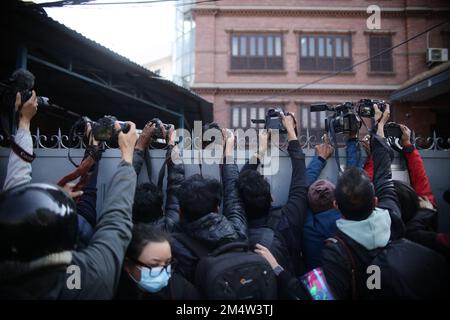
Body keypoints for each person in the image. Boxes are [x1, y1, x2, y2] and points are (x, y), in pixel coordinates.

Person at [0, 109, 138, 299]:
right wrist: (129, 156)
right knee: (87, 196)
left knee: (86, 193)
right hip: (84, 225)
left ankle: (93, 147)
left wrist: (59, 196)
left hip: (81, 217)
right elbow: (116, 221)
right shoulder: (88, 279)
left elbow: (15, 188)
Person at [321, 104, 450, 299]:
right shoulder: (392, 218)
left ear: (336, 205)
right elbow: (384, 177)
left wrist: (281, 273)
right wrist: (379, 128)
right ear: (375, 201)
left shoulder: (335, 247)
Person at [170, 129, 248, 282]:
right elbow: (233, 194)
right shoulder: (237, 233)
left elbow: (173, 189)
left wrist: (172, 148)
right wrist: (229, 152)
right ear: (217, 209)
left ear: (179, 212)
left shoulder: (175, 247)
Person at [237, 112, 308, 276]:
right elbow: (300, 183)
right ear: (272, 198)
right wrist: (291, 132)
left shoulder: (237, 223)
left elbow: (240, 183)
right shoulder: (287, 219)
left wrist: (261, 150)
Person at [116, 223, 199, 300]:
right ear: (128, 265)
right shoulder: (109, 290)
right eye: (154, 265)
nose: (164, 273)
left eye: (167, 263)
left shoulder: (179, 288)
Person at [131, 122, 183, 232]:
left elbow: (123, 187)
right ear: (162, 209)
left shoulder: (122, 232)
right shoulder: (170, 229)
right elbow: (176, 185)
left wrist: (139, 146)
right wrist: (171, 144)